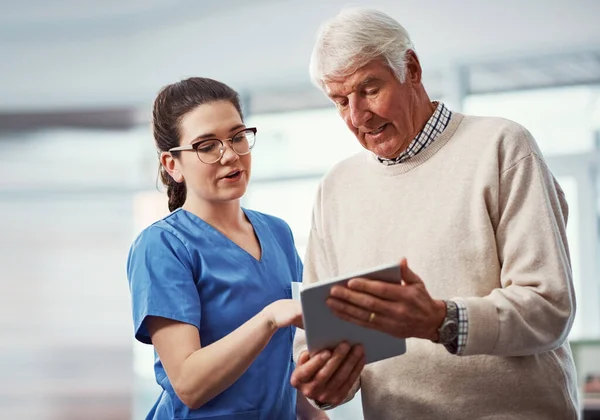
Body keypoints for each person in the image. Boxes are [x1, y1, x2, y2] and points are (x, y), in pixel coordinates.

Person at [291, 8, 579, 420]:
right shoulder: (335, 188)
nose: (357, 116)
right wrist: (325, 380)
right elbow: (318, 337)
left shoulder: (502, 147)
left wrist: (441, 320)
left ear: (411, 68)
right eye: (340, 101)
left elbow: (548, 308)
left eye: (369, 89)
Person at [127, 77, 328, 420]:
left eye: (237, 137)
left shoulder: (277, 232)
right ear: (172, 165)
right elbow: (189, 385)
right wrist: (268, 318)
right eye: (207, 146)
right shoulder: (162, 246)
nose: (231, 155)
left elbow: (283, 364)